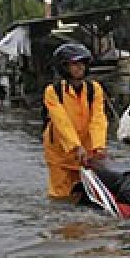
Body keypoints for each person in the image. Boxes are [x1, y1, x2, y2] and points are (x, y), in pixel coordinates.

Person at [43, 42, 108, 199]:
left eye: (82, 64)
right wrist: (75, 146)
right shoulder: (53, 91)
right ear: (64, 67)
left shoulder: (94, 89)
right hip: (60, 153)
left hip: (86, 152)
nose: (80, 68)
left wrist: (98, 146)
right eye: (74, 64)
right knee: (60, 197)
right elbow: (61, 121)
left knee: (86, 195)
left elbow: (98, 118)